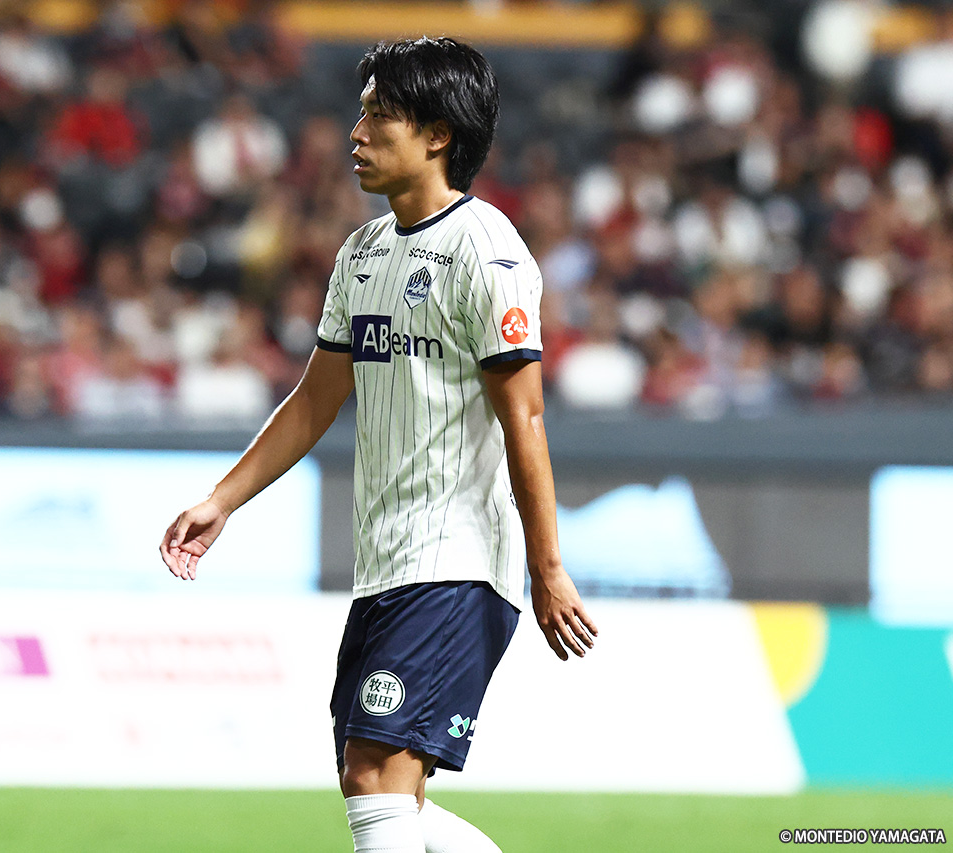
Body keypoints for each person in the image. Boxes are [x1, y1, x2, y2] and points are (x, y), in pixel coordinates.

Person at [159, 37, 598, 853]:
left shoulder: (488, 252)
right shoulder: (362, 254)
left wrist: (547, 567)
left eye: (379, 116)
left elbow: (526, 419)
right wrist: (223, 500)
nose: (356, 134)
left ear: (437, 134)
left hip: (458, 559)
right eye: (360, 114)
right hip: (387, 559)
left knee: (374, 774)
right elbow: (315, 399)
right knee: (387, 789)